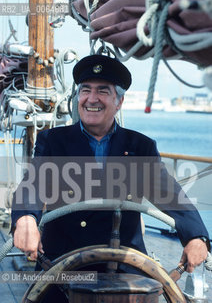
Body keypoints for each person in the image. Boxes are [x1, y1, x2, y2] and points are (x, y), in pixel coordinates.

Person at [11, 55, 210, 302]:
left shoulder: (140, 146)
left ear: (119, 101)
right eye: (86, 90)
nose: (92, 99)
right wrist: (26, 218)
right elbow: (33, 184)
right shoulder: (53, 141)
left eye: (102, 91)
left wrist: (195, 236)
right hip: (62, 267)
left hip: (126, 268)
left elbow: (169, 193)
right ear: (78, 98)